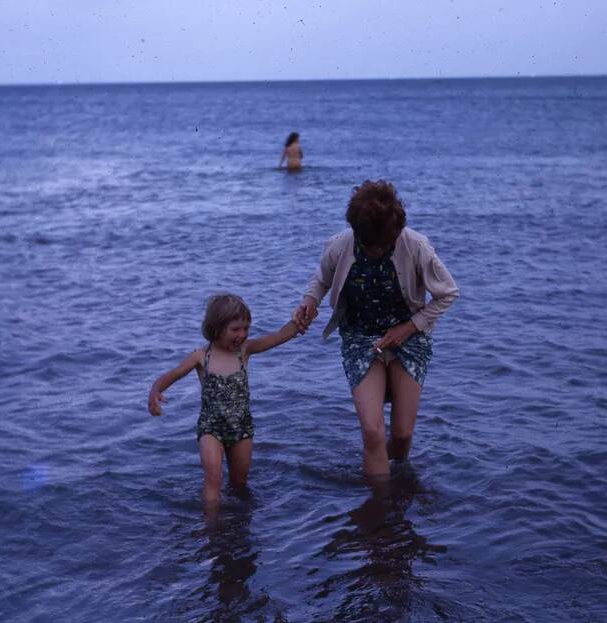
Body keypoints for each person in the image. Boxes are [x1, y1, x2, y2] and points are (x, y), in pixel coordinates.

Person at [293, 180, 459, 479]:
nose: (376, 250)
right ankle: (377, 512)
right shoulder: (340, 244)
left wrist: (410, 327)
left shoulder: (416, 246)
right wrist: (309, 300)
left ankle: (398, 492)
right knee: (372, 433)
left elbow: (448, 293)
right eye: (369, 245)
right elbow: (321, 278)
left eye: (383, 245)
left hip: (410, 339)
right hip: (360, 339)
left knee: (402, 436)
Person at [148, 294, 300, 510]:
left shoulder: (245, 351)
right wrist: (155, 391)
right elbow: (172, 375)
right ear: (217, 328)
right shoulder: (201, 356)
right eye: (235, 329)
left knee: (239, 484)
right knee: (213, 477)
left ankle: (238, 523)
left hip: (242, 428)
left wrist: (301, 320)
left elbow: (278, 336)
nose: (242, 335)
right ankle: (211, 526)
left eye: (246, 328)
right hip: (212, 428)